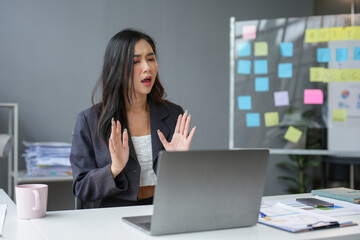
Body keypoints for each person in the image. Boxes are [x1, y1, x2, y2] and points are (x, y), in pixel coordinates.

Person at [70, 29, 196, 208]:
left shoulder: (174, 114)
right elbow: (81, 188)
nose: (147, 67)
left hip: (163, 210)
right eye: (136, 61)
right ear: (117, 68)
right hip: (112, 216)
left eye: (151, 59)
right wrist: (114, 169)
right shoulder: (90, 120)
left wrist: (179, 163)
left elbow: (185, 186)